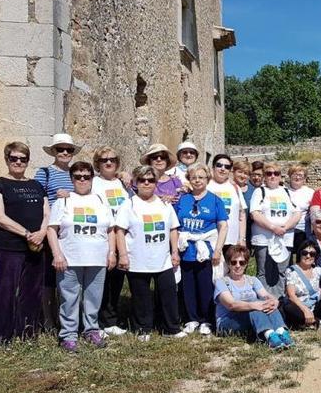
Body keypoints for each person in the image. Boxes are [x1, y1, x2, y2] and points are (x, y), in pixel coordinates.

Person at [0, 142, 49, 346]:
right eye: (14, 158)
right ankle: (0, 337)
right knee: (5, 291)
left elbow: (47, 212)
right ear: (7, 160)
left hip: (36, 247)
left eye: (23, 159)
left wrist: (43, 232)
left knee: (32, 292)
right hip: (8, 247)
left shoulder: (36, 185)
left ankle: (27, 334)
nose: (19, 162)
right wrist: (27, 233)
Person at [47, 161, 115, 352]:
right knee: (69, 298)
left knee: (93, 298)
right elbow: (52, 230)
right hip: (70, 258)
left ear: (92, 178)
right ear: (72, 179)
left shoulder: (101, 201)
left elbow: (110, 229)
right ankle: (68, 335)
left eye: (86, 176)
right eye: (78, 177)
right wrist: (57, 254)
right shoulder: (64, 201)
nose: (82, 180)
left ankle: (91, 330)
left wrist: (112, 252)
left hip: (97, 258)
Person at [115, 165, 186, 340]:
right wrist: (123, 255)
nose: (147, 183)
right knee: (141, 297)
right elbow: (119, 231)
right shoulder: (128, 204)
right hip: (138, 259)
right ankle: (143, 328)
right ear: (135, 183)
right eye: (142, 180)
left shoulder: (164, 204)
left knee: (168, 293)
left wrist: (175, 252)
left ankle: (171, 328)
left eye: (151, 180)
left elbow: (173, 229)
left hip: (162, 259)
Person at [176, 163, 228, 335]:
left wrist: (218, 250)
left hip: (206, 250)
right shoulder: (183, 199)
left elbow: (223, 225)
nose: (197, 180)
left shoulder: (215, 200)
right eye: (194, 177)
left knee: (206, 286)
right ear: (189, 180)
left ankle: (206, 320)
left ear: (207, 179)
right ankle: (191, 318)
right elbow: (175, 225)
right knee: (187, 286)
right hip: (186, 249)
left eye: (201, 177)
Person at [35, 133, 80, 331]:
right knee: (49, 278)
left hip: (72, 232)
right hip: (51, 230)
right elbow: (37, 200)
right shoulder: (44, 172)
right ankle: (47, 319)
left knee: (69, 276)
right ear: (53, 151)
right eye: (60, 149)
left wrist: (71, 194)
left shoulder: (77, 174)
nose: (64, 152)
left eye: (68, 149)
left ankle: (66, 319)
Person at [214, 246, 293, 349]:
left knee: (266, 301)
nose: (238, 266)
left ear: (246, 264)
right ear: (228, 263)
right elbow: (231, 305)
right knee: (254, 303)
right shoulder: (222, 282)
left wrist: (274, 302)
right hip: (228, 321)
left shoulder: (252, 280)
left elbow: (266, 295)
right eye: (234, 262)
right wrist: (254, 305)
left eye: (241, 262)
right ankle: (269, 336)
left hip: (250, 318)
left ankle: (281, 332)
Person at [92, 146, 131, 336]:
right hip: (102, 238)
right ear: (97, 164)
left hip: (122, 237)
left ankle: (110, 320)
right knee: (100, 282)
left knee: (116, 281)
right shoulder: (93, 183)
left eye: (113, 159)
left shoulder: (123, 183)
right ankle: (95, 321)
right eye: (104, 160)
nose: (108, 163)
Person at [250, 162, 301, 298]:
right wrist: (273, 227)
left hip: (284, 238)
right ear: (265, 176)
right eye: (269, 173)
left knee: (282, 271)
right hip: (264, 239)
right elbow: (255, 213)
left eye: (276, 173)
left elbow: (297, 213)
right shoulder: (259, 191)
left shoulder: (286, 192)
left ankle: (279, 302)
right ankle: (264, 301)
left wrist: (285, 227)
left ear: (280, 176)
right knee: (264, 272)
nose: (273, 176)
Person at [282, 241, 321, 331]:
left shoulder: (317, 270)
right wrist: (305, 310)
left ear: (315, 256)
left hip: (315, 305)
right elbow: (291, 295)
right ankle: (319, 323)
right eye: (305, 253)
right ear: (300, 254)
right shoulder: (291, 271)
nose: (308, 256)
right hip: (300, 306)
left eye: (312, 254)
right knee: (288, 307)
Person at [208, 154, 247, 254]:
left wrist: (242, 239)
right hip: (210, 239)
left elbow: (242, 215)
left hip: (231, 240)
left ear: (230, 170)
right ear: (213, 167)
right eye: (219, 165)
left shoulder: (235, 187)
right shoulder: (206, 186)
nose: (222, 169)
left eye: (227, 167)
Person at [288, 164, 315, 254]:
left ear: (304, 178)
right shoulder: (283, 191)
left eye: (300, 175)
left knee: (302, 257)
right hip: (287, 230)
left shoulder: (310, 192)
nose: (297, 177)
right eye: (294, 174)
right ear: (290, 176)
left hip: (304, 231)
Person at [232, 160, 256, 254]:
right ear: (233, 172)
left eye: (246, 173)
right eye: (240, 172)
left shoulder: (253, 191)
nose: (243, 175)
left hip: (247, 233)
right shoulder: (227, 187)